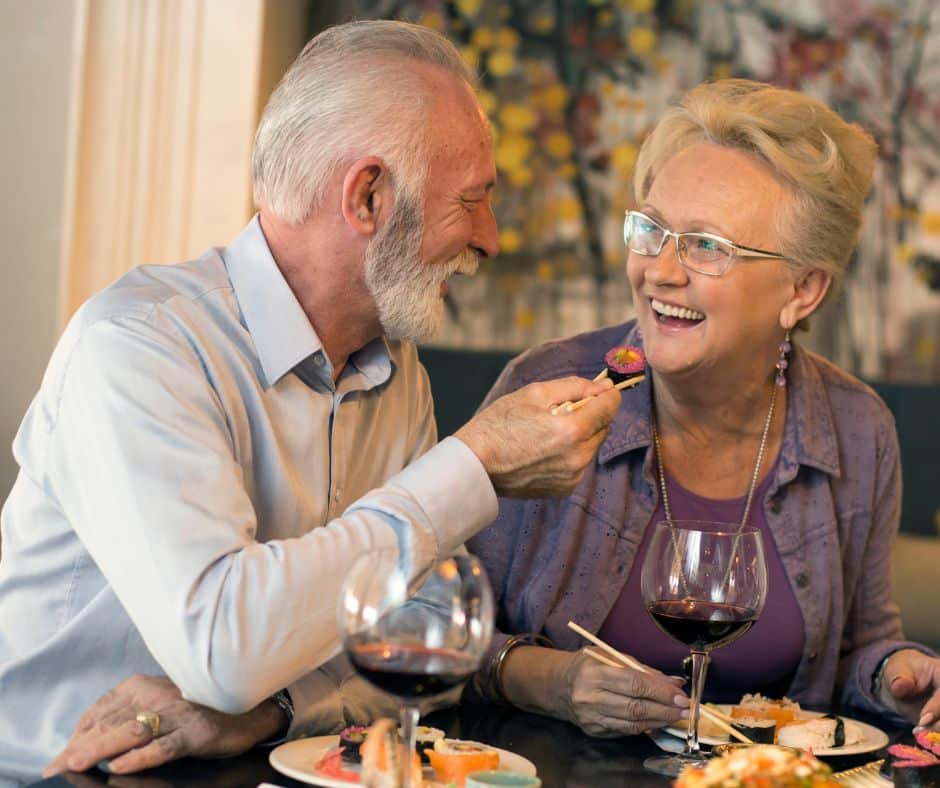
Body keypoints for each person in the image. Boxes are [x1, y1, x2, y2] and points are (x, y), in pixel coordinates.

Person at [0, 20, 621, 784]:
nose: (489, 239)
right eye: (471, 201)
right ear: (368, 196)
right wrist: (473, 464)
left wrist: (274, 710)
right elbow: (225, 652)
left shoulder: (396, 371)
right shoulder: (137, 348)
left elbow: (432, 642)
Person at [466, 79, 940, 739]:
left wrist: (897, 675)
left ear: (802, 291)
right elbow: (432, 624)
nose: (659, 271)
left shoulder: (858, 429)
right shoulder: (546, 389)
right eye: (651, 230)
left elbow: (861, 643)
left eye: (707, 246)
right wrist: (552, 682)